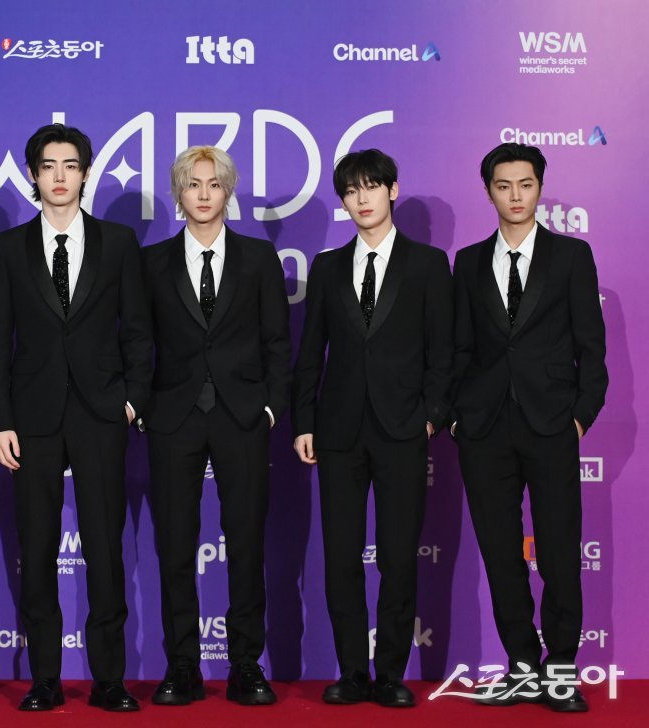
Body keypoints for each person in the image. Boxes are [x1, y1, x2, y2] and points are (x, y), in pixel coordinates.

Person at [0, 123, 152, 712]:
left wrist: (131, 400)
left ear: (85, 173)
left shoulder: (118, 242)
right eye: (48, 165)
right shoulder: (9, 247)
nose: (59, 176)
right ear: (33, 174)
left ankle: (110, 679)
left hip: (102, 412)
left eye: (70, 165)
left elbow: (138, 331)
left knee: (105, 548)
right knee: (36, 549)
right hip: (31, 418)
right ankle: (45, 680)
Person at [292, 149, 452, 708]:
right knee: (341, 556)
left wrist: (431, 415)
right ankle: (352, 672)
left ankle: (390, 674)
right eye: (351, 190)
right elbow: (310, 352)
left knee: (398, 556)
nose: (361, 199)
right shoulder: (328, 267)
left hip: (403, 428)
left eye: (371, 187)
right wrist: (304, 420)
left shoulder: (427, 264)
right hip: (337, 431)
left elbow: (443, 350)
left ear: (392, 190)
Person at [451, 143, 606, 712]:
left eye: (525, 184)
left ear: (540, 187)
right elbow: (460, 347)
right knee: (500, 553)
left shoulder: (571, 256)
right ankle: (521, 664)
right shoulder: (468, 262)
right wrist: (458, 416)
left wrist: (579, 418)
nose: (515, 196)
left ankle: (560, 667)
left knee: (560, 551)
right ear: (488, 191)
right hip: (484, 428)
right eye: (503, 185)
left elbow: (592, 349)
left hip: (551, 425)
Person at [141, 146, 290, 707]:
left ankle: (246, 665)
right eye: (192, 184)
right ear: (178, 193)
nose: (203, 194)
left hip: (243, 416)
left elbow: (278, 342)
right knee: (174, 546)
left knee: (246, 544)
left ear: (228, 191)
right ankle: (182, 666)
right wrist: (144, 406)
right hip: (172, 418)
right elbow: (138, 340)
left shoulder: (258, 258)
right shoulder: (152, 262)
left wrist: (271, 408)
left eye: (213, 184)